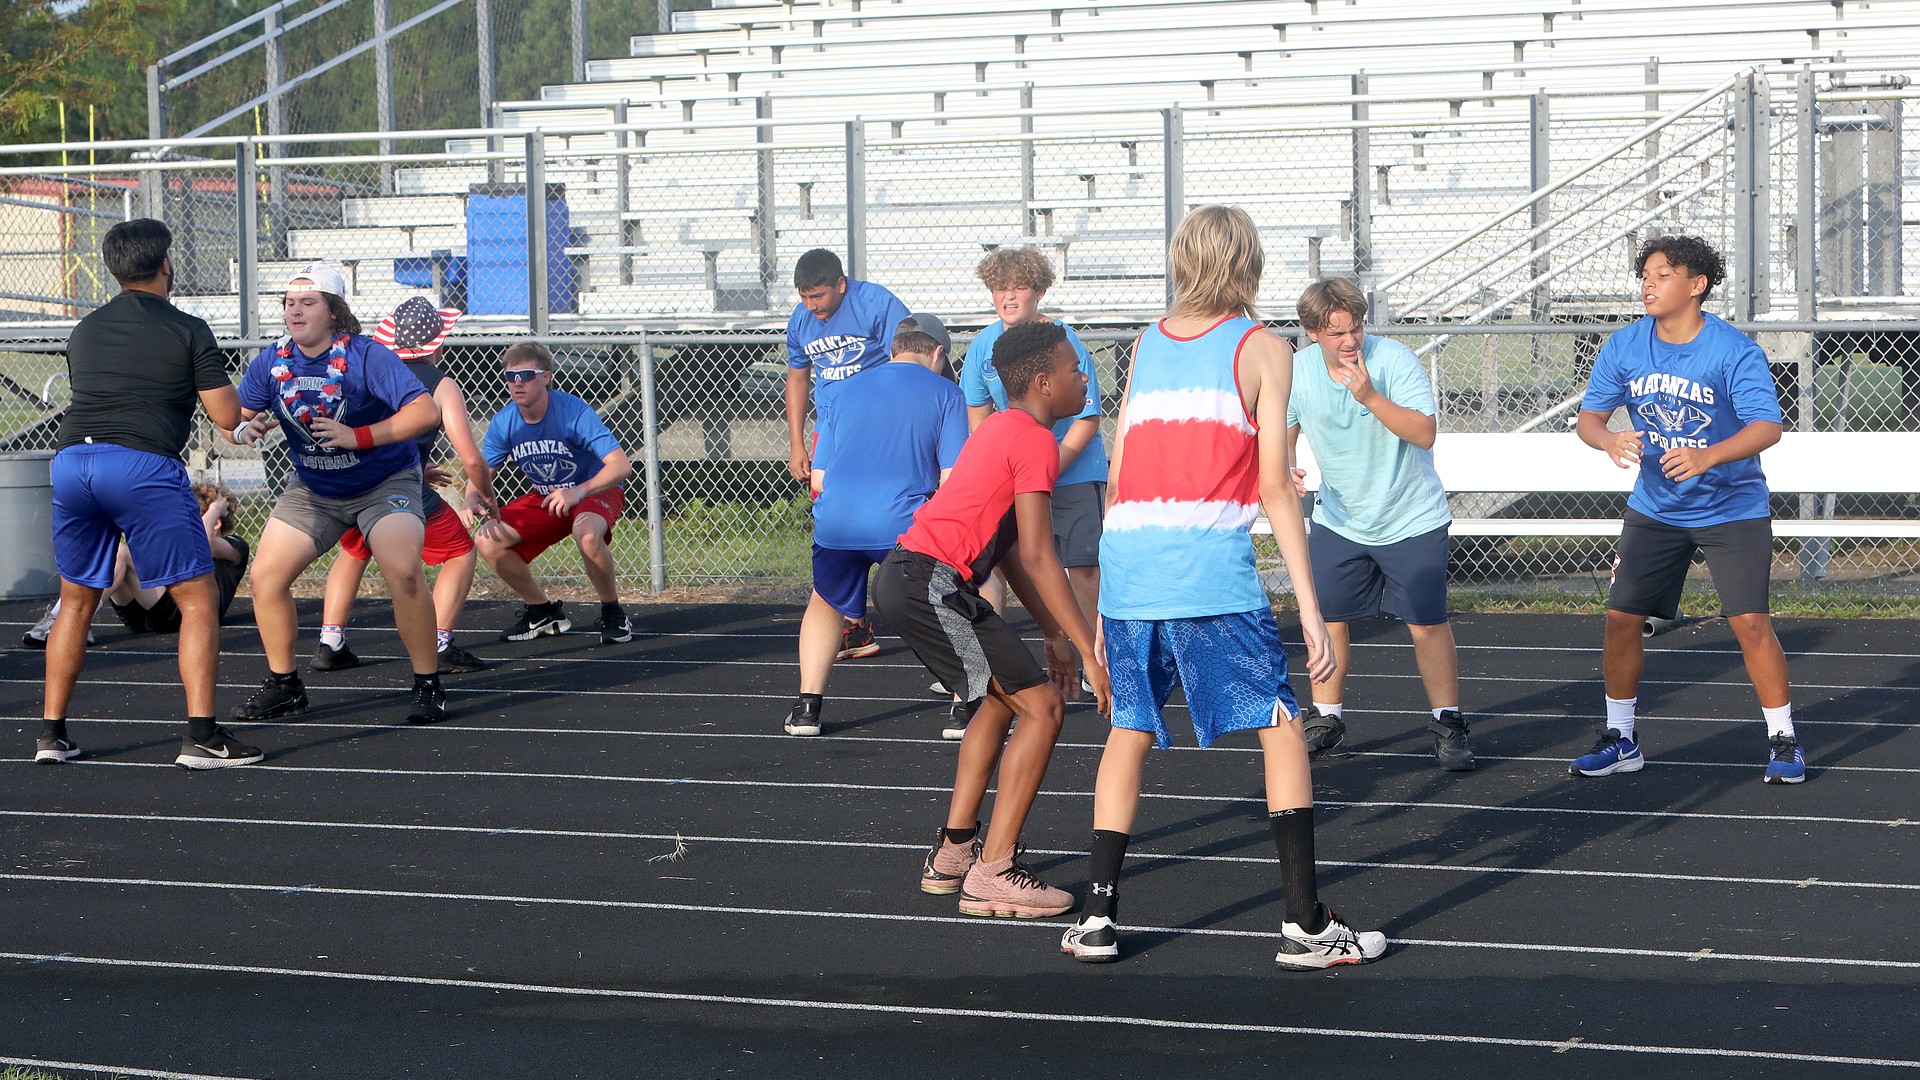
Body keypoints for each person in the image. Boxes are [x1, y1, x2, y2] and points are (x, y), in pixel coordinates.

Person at [1059, 205, 1386, 968]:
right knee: (1279, 725)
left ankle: (1099, 917)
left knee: (1128, 731)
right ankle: (1304, 923)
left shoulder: (1143, 343)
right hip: (1206, 569)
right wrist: (1309, 605)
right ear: (1251, 261)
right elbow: (1276, 487)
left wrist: (1107, 592)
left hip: (1134, 565)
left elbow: (1129, 464)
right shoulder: (1263, 348)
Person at [872, 320, 1112, 920]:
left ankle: (955, 855)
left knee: (1001, 701)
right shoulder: (1031, 439)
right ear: (1041, 381)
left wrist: (1055, 633)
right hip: (929, 581)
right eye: (1073, 366)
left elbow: (1007, 546)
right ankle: (994, 872)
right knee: (1045, 707)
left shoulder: (1004, 429)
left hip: (920, 580)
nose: (1084, 375)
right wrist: (1088, 647)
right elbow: (1037, 552)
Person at [1570, 235, 1804, 784]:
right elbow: (1589, 418)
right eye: (1645, 275)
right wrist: (1606, 439)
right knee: (1622, 618)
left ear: (1696, 285)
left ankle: (1785, 740)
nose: (1648, 285)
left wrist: (1708, 456)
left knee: (1749, 622)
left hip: (1732, 507)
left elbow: (1767, 426)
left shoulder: (1732, 349)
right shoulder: (1625, 345)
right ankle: (1621, 739)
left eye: (1662, 275)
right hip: (1656, 507)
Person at [35, 218, 256, 769]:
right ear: (165, 265)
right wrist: (260, 417)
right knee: (197, 598)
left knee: (78, 600)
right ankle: (202, 736)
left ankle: (52, 735)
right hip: (140, 465)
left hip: (71, 462)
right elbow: (227, 416)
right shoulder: (188, 328)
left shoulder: (84, 329)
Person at [228, 262, 449, 725]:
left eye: (308, 302)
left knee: (404, 571)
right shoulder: (271, 361)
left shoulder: (368, 355)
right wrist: (246, 428)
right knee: (265, 578)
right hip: (314, 487)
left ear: (334, 312)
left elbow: (425, 412)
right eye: (289, 303)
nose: (295, 311)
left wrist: (359, 436)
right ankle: (285, 685)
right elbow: (236, 418)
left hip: (383, 482)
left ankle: (428, 682)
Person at [1285, 278, 1473, 771]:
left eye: (1357, 328)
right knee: (1328, 621)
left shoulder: (1393, 360)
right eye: (1336, 333)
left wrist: (1368, 394)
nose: (1350, 341)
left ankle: (1448, 721)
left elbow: (1424, 433)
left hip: (1410, 515)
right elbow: (1282, 433)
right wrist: (1286, 463)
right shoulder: (1297, 371)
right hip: (1340, 518)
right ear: (1310, 334)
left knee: (1427, 625)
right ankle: (1326, 718)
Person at [782, 314, 968, 738]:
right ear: (938, 353)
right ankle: (965, 706)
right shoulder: (947, 393)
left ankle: (807, 706)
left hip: (837, 523)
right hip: (900, 524)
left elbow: (820, 478)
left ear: (893, 349)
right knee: (968, 587)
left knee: (825, 600)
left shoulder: (842, 393)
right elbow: (952, 479)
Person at [311, 297, 496, 675]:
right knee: (460, 551)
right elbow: (472, 458)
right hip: (394, 485)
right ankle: (439, 641)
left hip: (355, 476)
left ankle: (330, 641)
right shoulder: (442, 385)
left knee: (356, 548)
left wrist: (417, 465)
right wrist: (486, 494)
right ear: (439, 342)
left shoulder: (376, 369)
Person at [959, 248, 1108, 700]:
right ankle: (981, 668)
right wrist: (1005, 473)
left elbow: (1089, 415)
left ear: (1039, 292)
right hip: (1017, 476)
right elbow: (978, 419)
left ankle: (1094, 662)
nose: (1007, 296)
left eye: (1018, 287)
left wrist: (1048, 465)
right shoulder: (982, 346)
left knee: (1082, 569)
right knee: (999, 566)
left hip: (1072, 471)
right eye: (998, 288)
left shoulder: (1064, 341)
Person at [783, 248, 911, 661]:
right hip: (833, 433)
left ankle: (922, 606)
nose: (811, 306)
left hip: (882, 428)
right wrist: (798, 442)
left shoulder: (876, 303)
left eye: (818, 296)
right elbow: (798, 378)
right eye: (803, 297)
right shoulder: (801, 320)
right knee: (835, 521)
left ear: (841, 284)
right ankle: (854, 625)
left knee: (891, 517)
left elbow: (913, 356)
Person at [471, 342, 635, 644]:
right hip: (548, 497)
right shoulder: (504, 421)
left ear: (546, 377)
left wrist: (578, 491)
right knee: (487, 539)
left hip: (592, 490)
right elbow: (482, 471)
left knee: (587, 534)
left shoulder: (573, 412)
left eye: (527, 375)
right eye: (510, 377)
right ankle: (543, 611)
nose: (517, 383)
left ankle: (613, 611)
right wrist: (472, 497)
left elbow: (620, 466)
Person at [24, 482, 244, 645]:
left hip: (184, 615)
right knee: (115, 553)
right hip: (145, 612)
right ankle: (63, 618)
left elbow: (201, 543)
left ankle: (72, 622)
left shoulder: (233, 547)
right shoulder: (175, 542)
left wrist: (215, 507)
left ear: (215, 523)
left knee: (122, 552)